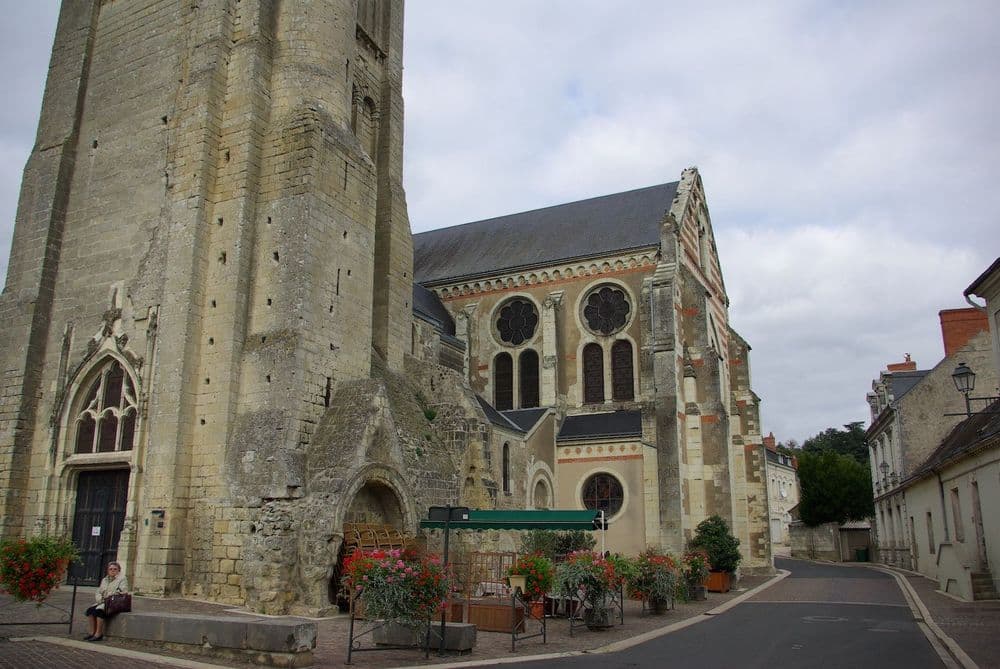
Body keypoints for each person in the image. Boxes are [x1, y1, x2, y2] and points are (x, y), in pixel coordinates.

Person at [83, 561, 129, 642]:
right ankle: (92, 632)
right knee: (90, 611)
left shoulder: (122, 579)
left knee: (99, 611)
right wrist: (99, 598)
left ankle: (98, 634)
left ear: (119, 570)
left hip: (115, 602)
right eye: (110, 569)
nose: (112, 570)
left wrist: (109, 595)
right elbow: (99, 591)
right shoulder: (104, 580)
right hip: (103, 601)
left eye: (115, 569)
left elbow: (123, 591)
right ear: (108, 570)